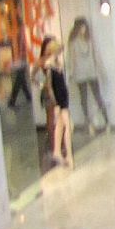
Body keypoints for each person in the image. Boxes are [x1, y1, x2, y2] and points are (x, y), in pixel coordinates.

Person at [66, 18, 109, 132]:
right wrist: (70, 74)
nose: (83, 29)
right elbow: (71, 60)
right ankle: (88, 123)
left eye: (84, 27)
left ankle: (106, 120)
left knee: (97, 96)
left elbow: (97, 57)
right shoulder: (73, 43)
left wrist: (102, 71)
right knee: (83, 99)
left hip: (91, 71)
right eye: (81, 27)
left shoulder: (90, 41)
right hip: (80, 74)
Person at [41, 37, 73, 169]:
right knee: (68, 126)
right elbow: (49, 86)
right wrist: (55, 104)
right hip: (59, 100)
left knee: (60, 126)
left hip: (63, 96)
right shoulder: (49, 65)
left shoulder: (57, 63)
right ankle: (69, 156)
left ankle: (57, 152)